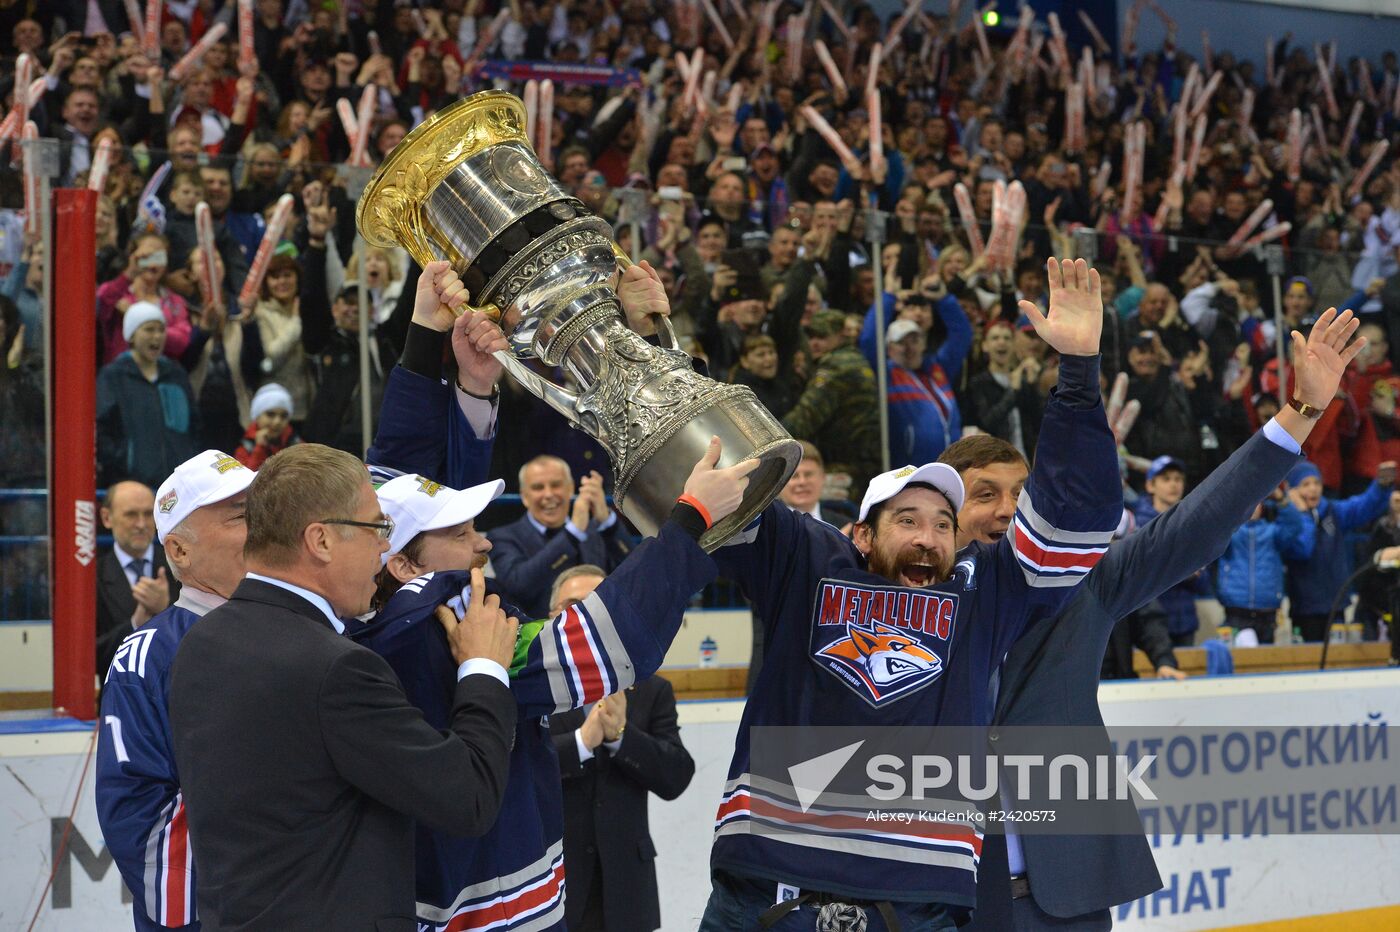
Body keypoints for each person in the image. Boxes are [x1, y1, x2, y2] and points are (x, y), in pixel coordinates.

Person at [700, 258, 1121, 930]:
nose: (928, 538)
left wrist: (1077, 376)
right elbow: (711, 477)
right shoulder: (808, 568)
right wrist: (658, 335)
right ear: (859, 536)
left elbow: (1078, 518)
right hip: (770, 894)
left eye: (943, 525)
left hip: (916, 906)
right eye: (907, 520)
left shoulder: (983, 597)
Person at [962, 307, 1367, 930]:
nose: (1008, 510)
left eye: (1023, 495)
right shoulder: (904, 602)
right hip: (951, 902)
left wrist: (1301, 414)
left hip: (1068, 899)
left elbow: (1197, 524)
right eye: (984, 494)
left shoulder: (1086, 583)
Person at [352, 440, 753, 932]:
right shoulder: (447, 625)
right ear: (405, 567)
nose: (484, 544)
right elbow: (605, 644)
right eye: (460, 534)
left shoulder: (369, 634)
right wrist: (690, 519)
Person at [168, 444, 521, 930]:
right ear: (321, 541)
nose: (383, 546)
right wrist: (483, 668)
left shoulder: (199, 643)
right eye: (377, 527)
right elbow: (470, 798)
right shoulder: (338, 669)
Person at [96, 450, 256, 932]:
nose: (265, 526)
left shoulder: (305, 624)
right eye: (240, 516)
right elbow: (139, 822)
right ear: (181, 551)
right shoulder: (147, 654)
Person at [547, 565, 695, 932]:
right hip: (552, 888)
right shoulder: (528, 691)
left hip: (627, 891)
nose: (584, 616)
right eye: (572, 605)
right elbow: (513, 772)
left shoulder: (651, 689)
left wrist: (621, 737)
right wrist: (583, 742)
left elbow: (675, 776)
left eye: (597, 605)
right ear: (551, 618)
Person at [488, 455, 632, 619]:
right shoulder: (502, 537)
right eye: (538, 487)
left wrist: (607, 522)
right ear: (524, 496)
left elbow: (635, 574)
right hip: (538, 637)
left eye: (556, 485)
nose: (548, 494)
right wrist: (572, 534)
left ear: (570, 488)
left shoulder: (595, 532)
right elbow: (519, 586)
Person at [1284, 457, 1397, 641]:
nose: (1313, 488)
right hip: (1305, 609)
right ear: (1292, 490)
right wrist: (1303, 515)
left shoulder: (1332, 511)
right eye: (1305, 484)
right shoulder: (1287, 519)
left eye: (1317, 483)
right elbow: (1302, 549)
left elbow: (1362, 506)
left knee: (1338, 662)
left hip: (1336, 604)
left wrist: (1381, 486)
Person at [97, 303, 201, 490]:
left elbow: (194, 427)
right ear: (132, 335)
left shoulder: (176, 375)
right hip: (131, 485)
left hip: (178, 485)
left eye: (161, 330)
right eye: (149, 330)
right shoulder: (113, 376)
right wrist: (123, 462)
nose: (157, 336)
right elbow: (102, 429)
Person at [782, 307, 881, 497]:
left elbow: (805, 417)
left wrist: (770, 441)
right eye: (811, 337)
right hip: (863, 463)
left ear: (841, 335)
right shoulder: (857, 359)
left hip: (844, 466)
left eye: (822, 336)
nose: (815, 343)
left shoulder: (836, 367)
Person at [96, 480, 177, 679]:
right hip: (119, 698)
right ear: (107, 518)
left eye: (148, 514)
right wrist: (136, 623)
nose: (141, 524)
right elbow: (91, 657)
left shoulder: (182, 565)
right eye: (131, 515)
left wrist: (165, 612)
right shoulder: (92, 578)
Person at [1216, 488, 1316, 643]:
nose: (1251, 508)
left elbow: (1294, 526)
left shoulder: (1273, 533)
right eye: (1246, 503)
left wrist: (1281, 498)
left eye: (1255, 503)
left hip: (1268, 614)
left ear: (1262, 506)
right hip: (1236, 612)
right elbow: (1215, 522)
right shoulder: (1229, 535)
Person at [1131, 456, 1211, 646]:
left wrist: (1188, 572)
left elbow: (1204, 582)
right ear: (1150, 486)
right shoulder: (1137, 524)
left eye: (1178, 479)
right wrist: (1182, 569)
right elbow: (1138, 574)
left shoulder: (1193, 524)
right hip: (1147, 623)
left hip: (1184, 623)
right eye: (1166, 479)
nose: (1173, 485)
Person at [235, 382, 301, 469]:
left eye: (283, 416)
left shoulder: (296, 443)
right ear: (257, 416)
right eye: (270, 414)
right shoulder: (245, 449)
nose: (277, 421)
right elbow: (248, 480)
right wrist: (260, 449)